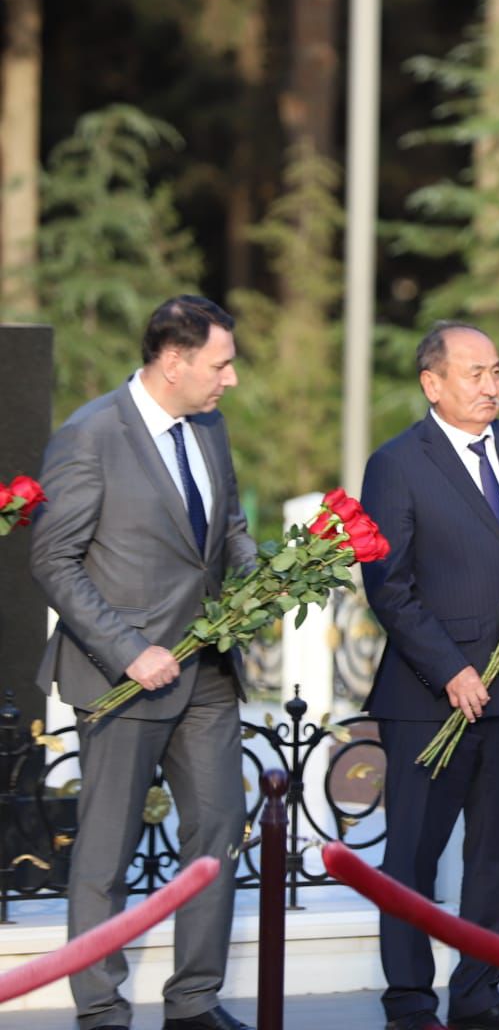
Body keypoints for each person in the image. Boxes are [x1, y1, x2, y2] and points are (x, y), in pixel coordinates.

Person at [30, 295, 256, 1030]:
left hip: (211, 674)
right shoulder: (89, 435)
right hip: (124, 682)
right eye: (220, 364)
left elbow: (228, 528)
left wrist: (257, 592)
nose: (230, 379)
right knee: (104, 853)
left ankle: (194, 1003)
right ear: (173, 361)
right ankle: (100, 1010)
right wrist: (129, 652)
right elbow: (54, 560)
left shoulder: (212, 427)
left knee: (218, 832)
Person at [361, 322, 499, 1030]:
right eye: (474, 373)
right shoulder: (397, 463)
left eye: (497, 371)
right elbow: (388, 585)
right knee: (412, 854)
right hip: (429, 698)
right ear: (432, 383)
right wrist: (451, 669)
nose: (491, 386)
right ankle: (410, 1002)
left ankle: (480, 996)